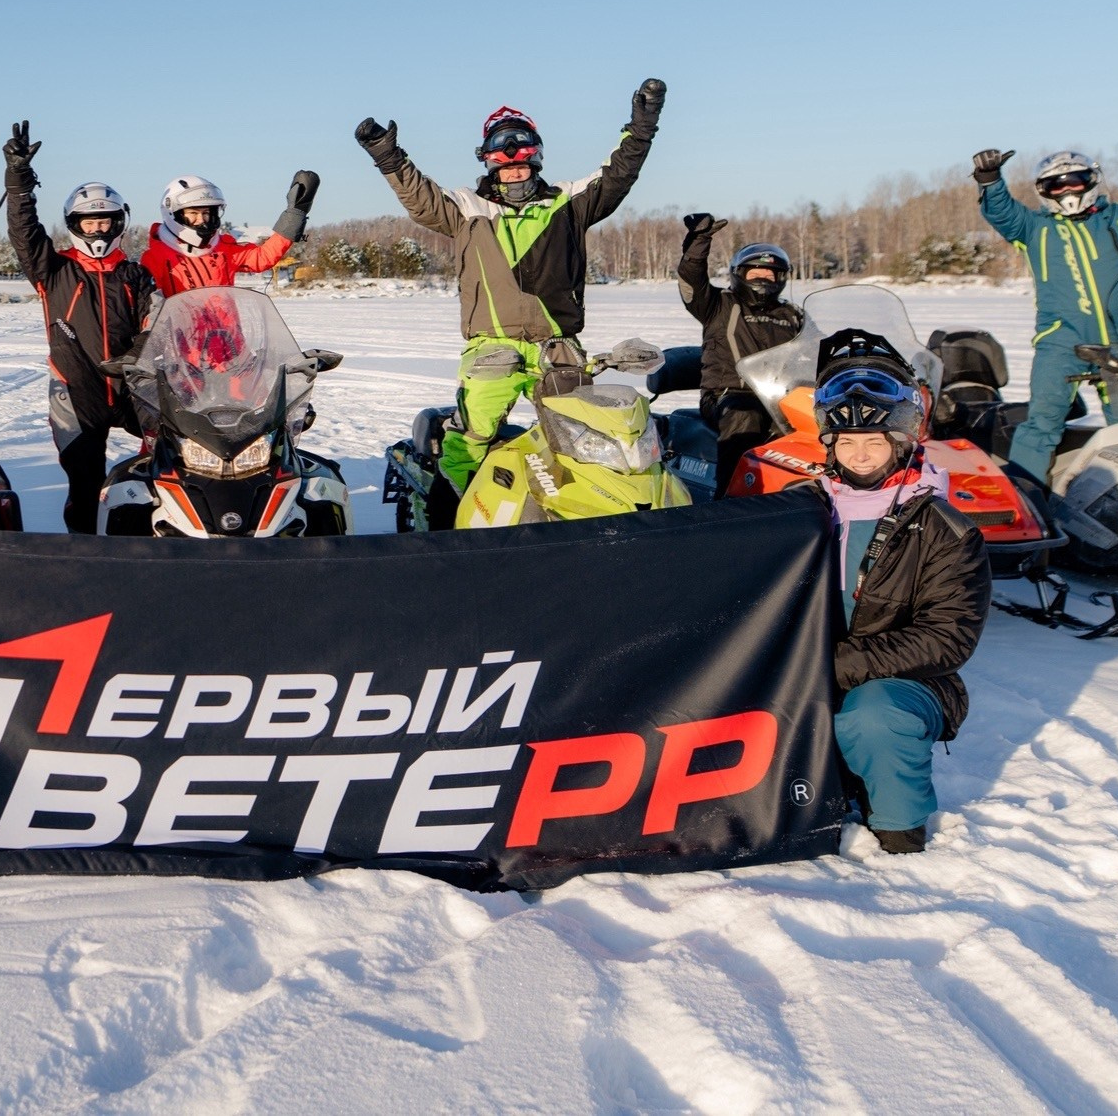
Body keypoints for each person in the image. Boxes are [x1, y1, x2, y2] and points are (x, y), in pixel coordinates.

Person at [357, 80, 664, 497]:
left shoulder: (568, 203)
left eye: (522, 159)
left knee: (584, 440)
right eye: (504, 160)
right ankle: (450, 523)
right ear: (488, 162)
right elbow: (419, 197)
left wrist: (642, 126)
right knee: (469, 439)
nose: (515, 169)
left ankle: (572, 516)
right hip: (491, 348)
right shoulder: (467, 208)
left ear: (535, 159)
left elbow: (619, 174)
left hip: (556, 347)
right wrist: (386, 154)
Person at [810, 328, 990, 855]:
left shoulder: (942, 527)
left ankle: (899, 833)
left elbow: (946, 638)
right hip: (810, 666)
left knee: (872, 714)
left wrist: (834, 664)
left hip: (908, 683)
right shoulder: (801, 510)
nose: (860, 456)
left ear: (901, 441)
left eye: (873, 441)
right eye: (847, 442)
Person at [974, 130, 1118, 479]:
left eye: (1076, 181)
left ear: (1092, 182)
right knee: (1042, 426)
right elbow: (1003, 213)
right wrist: (991, 180)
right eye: (1057, 185)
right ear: (1044, 192)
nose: (1068, 191)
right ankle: (1027, 504)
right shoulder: (1036, 229)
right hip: (1060, 341)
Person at [2, 123, 158, 533]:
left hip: (131, 386)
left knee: (166, 464)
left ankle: (159, 537)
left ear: (118, 222)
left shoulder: (135, 274)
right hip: (76, 389)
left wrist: (137, 357)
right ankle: (85, 551)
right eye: (89, 223)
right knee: (84, 482)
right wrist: (18, 180)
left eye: (105, 222)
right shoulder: (54, 270)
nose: (98, 229)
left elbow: (154, 323)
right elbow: (24, 233)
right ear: (74, 224)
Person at [677, 218, 804, 480]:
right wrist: (699, 241)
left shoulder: (792, 314)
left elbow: (818, 347)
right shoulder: (718, 305)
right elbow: (691, 279)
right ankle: (732, 499)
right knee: (745, 416)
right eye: (755, 273)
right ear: (739, 275)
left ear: (780, 278)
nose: (763, 278)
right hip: (727, 395)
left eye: (769, 274)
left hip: (782, 398)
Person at [139, 173, 319, 297]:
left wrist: (295, 214)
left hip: (229, 345)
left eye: (206, 213)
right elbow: (149, 307)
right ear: (173, 213)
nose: (201, 220)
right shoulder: (154, 259)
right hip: (179, 348)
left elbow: (262, 257)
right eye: (193, 213)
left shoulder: (223, 248)